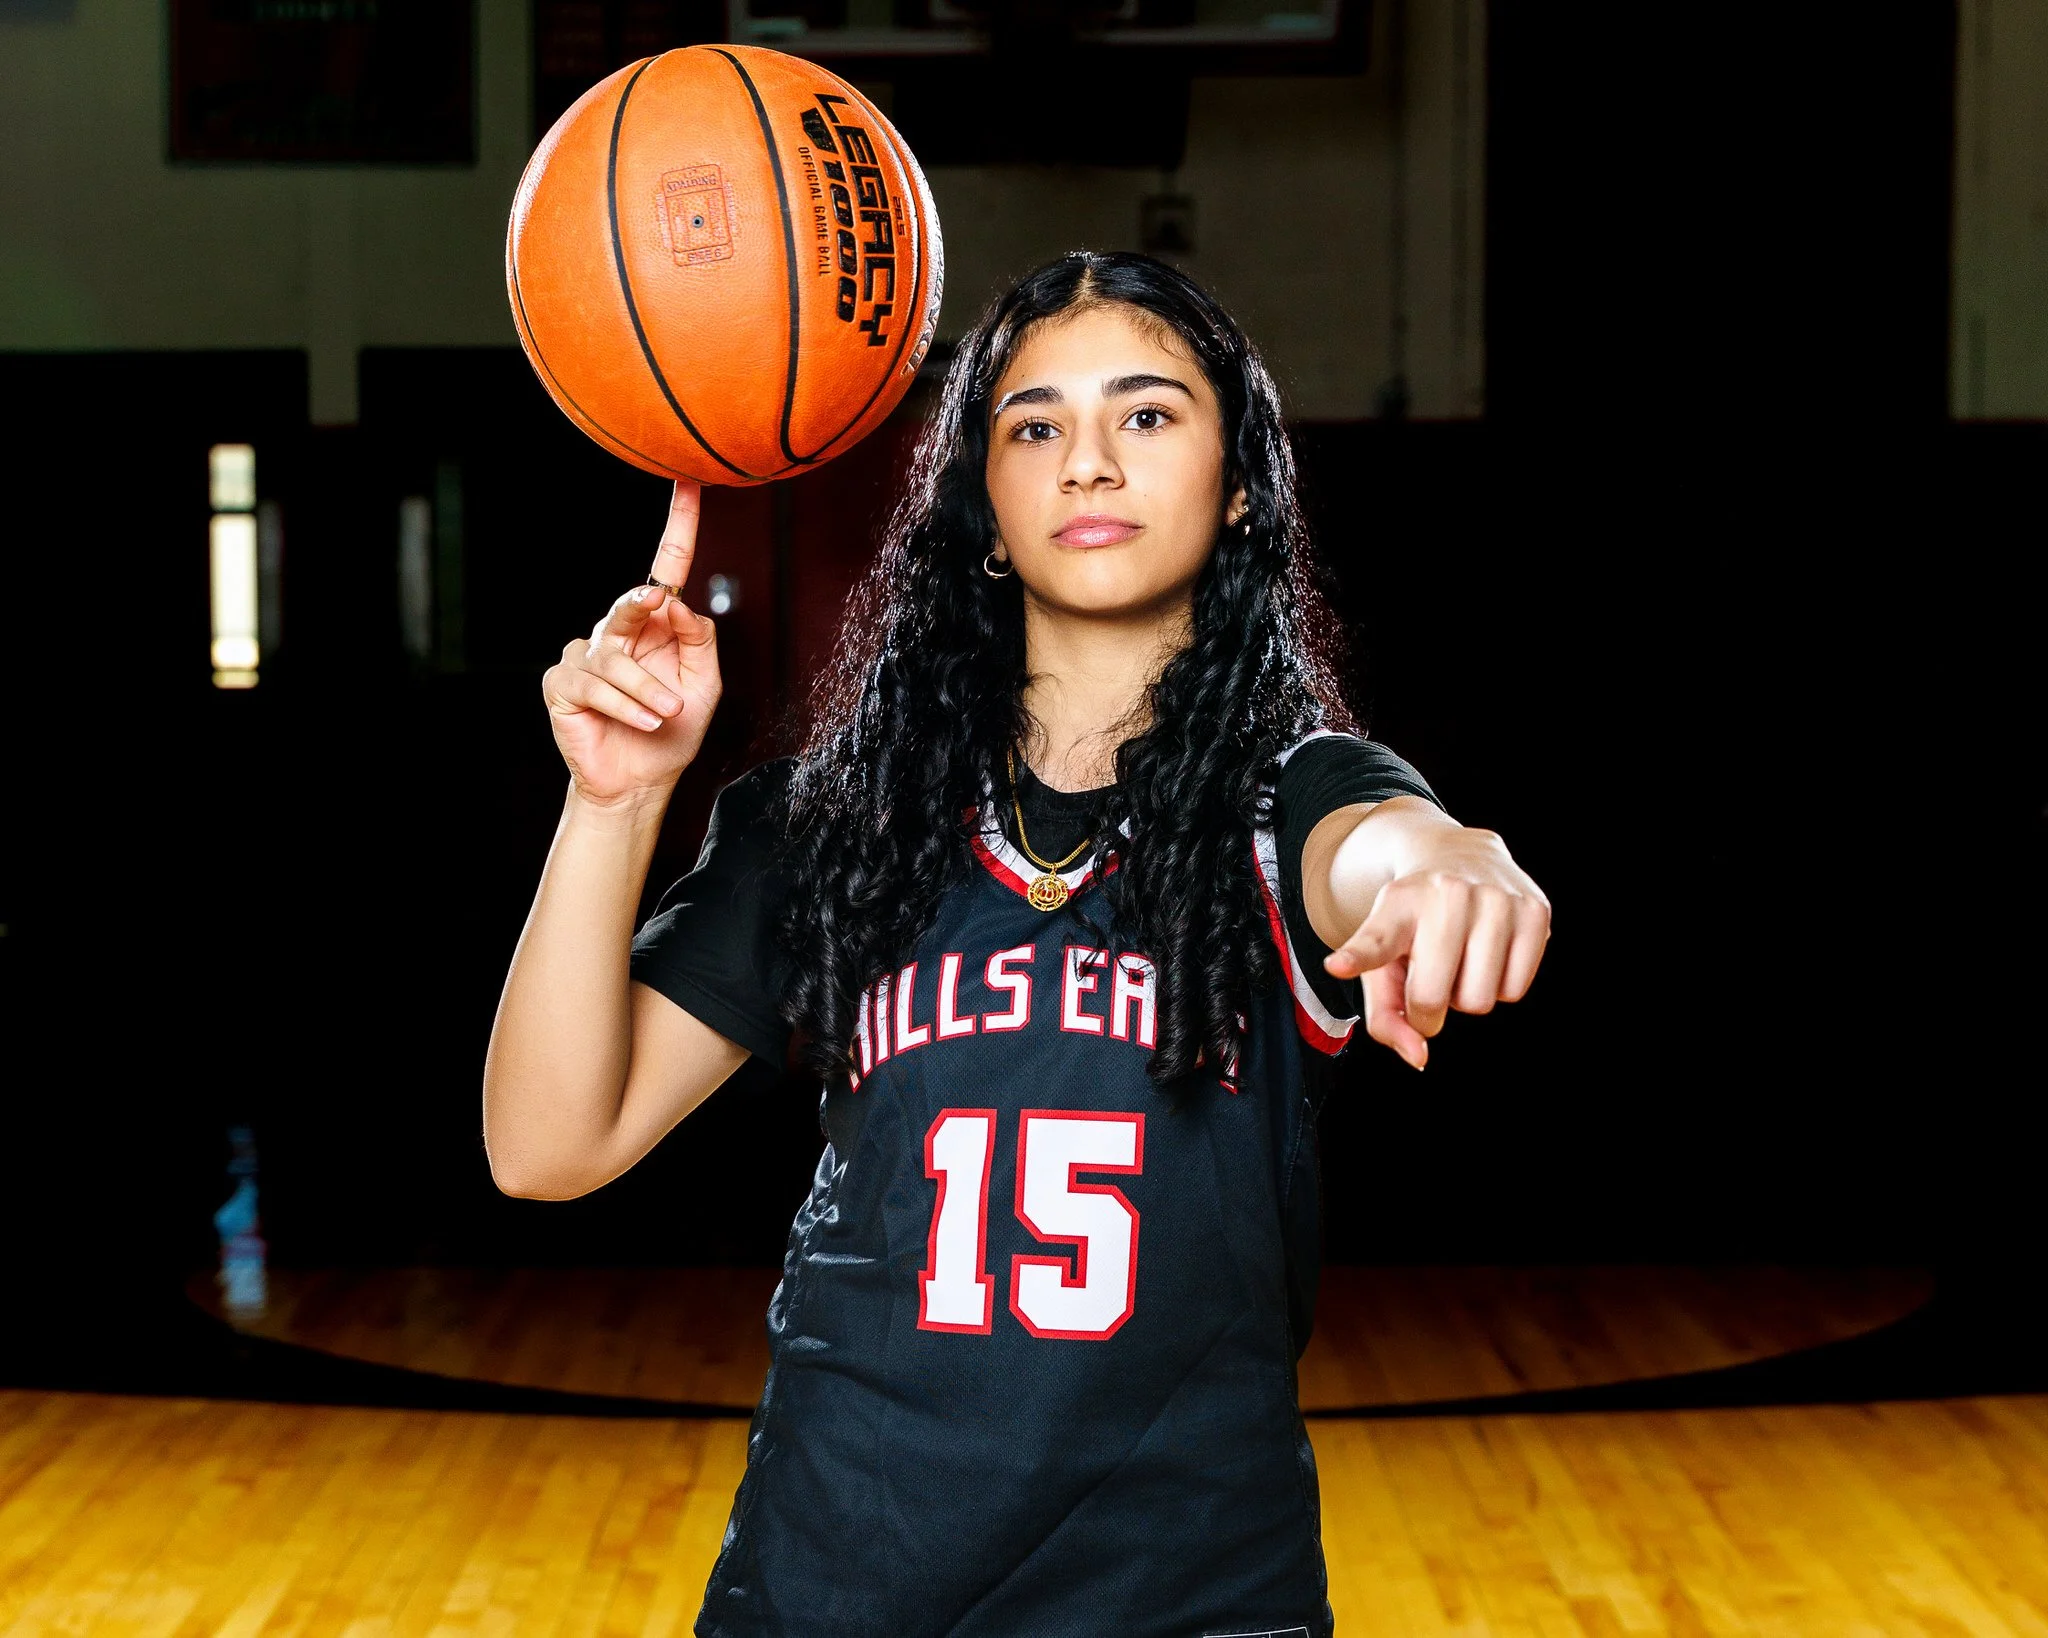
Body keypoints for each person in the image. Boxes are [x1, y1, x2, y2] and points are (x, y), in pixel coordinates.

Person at [484, 252, 1550, 1638]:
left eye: (1147, 414)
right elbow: (546, 1145)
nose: (1088, 461)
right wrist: (614, 802)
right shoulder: (838, 819)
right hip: (836, 1593)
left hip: (1188, 1602)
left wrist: (1453, 861)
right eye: (1034, 426)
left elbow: (1384, 847)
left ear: (1239, 483)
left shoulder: (1290, 802)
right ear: (984, 502)